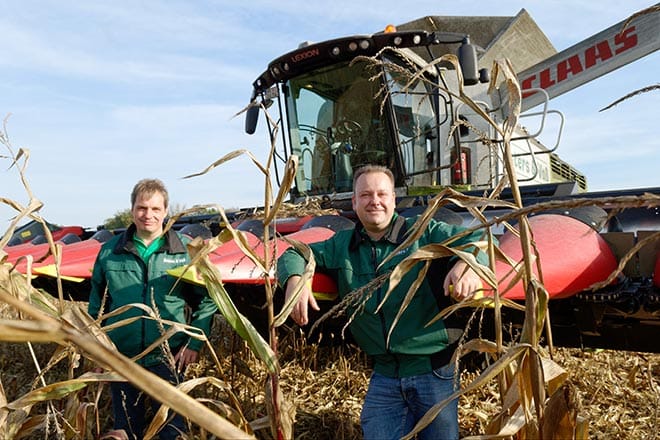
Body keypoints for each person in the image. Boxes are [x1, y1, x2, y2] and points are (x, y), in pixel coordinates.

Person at [277, 165, 490, 440]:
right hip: (384, 375)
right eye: (365, 194)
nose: (374, 201)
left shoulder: (423, 232)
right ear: (353, 202)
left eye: (381, 193)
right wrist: (296, 279)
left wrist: (468, 263)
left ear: (393, 199)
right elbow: (294, 252)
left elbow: (477, 239)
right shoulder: (342, 245)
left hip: (434, 371)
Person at [88, 178, 217, 439]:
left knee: (171, 429)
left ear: (166, 211)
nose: (148, 215)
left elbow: (208, 299)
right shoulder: (110, 252)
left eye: (156, 209)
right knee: (126, 429)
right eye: (142, 208)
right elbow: (95, 306)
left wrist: (193, 343)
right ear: (133, 209)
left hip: (167, 356)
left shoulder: (185, 251)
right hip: (122, 356)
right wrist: (96, 349)